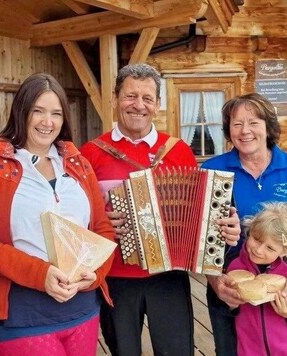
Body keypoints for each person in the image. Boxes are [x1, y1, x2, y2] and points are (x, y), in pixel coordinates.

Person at [79, 63, 241, 356]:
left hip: (170, 274)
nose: (138, 105)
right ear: (115, 99)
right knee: (123, 351)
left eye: (147, 98)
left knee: (176, 351)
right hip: (115, 275)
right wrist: (99, 221)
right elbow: (77, 217)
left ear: (158, 105)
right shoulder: (91, 152)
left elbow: (199, 212)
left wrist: (224, 226)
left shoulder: (177, 150)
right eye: (130, 96)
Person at [0, 73, 115, 355]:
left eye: (55, 113)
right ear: (21, 112)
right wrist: (41, 274)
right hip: (22, 311)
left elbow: (102, 230)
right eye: (37, 111)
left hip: (82, 306)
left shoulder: (79, 164)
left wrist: (95, 275)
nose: (47, 122)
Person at [202, 92, 287, 355]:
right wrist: (218, 286)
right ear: (228, 131)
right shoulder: (211, 170)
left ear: (268, 127)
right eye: (236, 124)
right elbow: (199, 239)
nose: (245, 131)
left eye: (253, 122)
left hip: (285, 290)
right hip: (231, 288)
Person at [227, 201, 287, 356]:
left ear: (284, 252)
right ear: (250, 230)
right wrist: (232, 304)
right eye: (257, 239)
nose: (259, 250)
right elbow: (229, 308)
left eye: (270, 248)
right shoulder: (235, 269)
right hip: (249, 349)